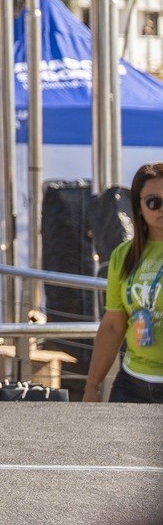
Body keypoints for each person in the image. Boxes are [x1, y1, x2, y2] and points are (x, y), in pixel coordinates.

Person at [85, 163, 163, 404]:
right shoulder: (123, 255)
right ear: (138, 207)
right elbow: (112, 326)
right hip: (131, 385)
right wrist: (92, 386)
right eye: (153, 202)